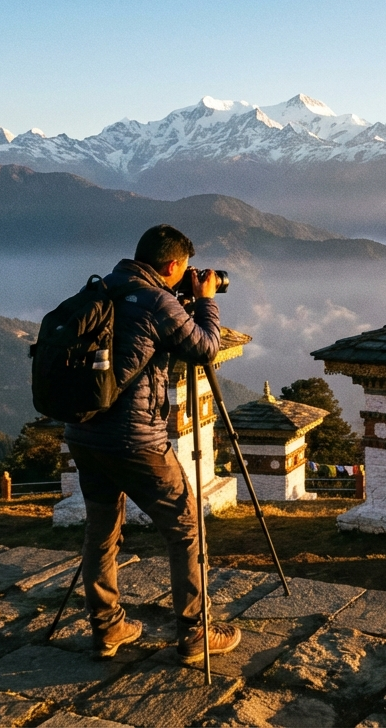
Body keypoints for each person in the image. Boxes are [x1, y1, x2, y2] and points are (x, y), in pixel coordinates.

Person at [65, 224, 241, 663]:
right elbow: (205, 349)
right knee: (186, 530)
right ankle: (196, 634)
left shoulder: (102, 288)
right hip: (137, 440)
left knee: (101, 533)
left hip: (84, 435)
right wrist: (205, 301)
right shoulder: (157, 301)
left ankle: (108, 629)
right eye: (184, 269)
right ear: (171, 265)